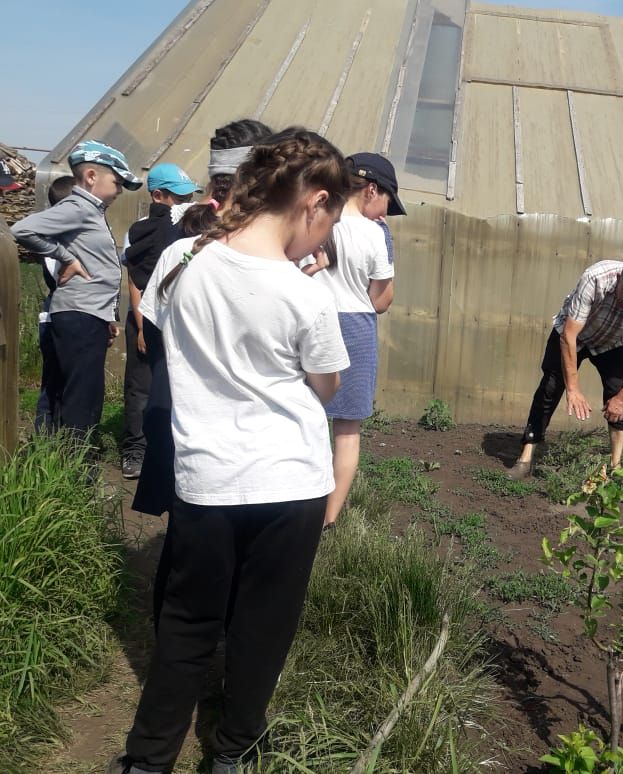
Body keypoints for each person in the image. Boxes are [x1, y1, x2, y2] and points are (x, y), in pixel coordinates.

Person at [111, 127, 353, 774]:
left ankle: (147, 759)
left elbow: (156, 331)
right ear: (315, 200)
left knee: (187, 624)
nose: (325, 237)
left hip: (206, 479)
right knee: (262, 628)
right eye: (330, 220)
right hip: (292, 484)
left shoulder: (184, 259)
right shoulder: (307, 293)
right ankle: (236, 750)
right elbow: (325, 388)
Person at [133, 119, 273, 518]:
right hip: (257, 453)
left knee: (186, 557)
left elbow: (158, 343)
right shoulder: (286, 266)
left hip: (188, 437)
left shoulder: (180, 254)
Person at [11, 140, 143, 443]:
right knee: (82, 400)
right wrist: (65, 257)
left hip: (89, 314)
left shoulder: (92, 210)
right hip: (78, 313)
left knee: (82, 394)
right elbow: (23, 230)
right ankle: (75, 468)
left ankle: (69, 460)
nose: (120, 189)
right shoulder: (78, 208)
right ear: (92, 176)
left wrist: (108, 317)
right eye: (117, 181)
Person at [511, 256, 623, 477]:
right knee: (551, 388)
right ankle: (526, 456)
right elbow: (569, 336)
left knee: (619, 395)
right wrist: (573, 388)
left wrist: (622, 398)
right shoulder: (596, 278)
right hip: (574, 335)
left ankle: (616, 468)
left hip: (614, 341)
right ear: (621, 279)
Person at [316, 152, 406, 528]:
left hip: (310, 319)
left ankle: (293, 506)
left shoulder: (315, 218)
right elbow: (381, 301)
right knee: (347, 430)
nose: (386, 212)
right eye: (387, 201)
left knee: (304, 419)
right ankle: (327, 520)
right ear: (372, 189)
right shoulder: (375, 233)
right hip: (354, 326)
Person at [121, 164, 202, 479]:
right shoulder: (141, 228)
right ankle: (135, 451)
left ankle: (170, 450)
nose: (186, 201)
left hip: (179, 318)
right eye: (179, 196)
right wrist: (142, 325)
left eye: (189, 195)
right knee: (140, 386)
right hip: (147, 315)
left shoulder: (189, 224)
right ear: (158, 195)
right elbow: (135, 280)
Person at [33, 175, 75, 433]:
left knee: (58, 381)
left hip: (57, 312)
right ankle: (44, 438)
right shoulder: (56, 239)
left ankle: (52, 436)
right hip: (58, 314)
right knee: (53, 383)